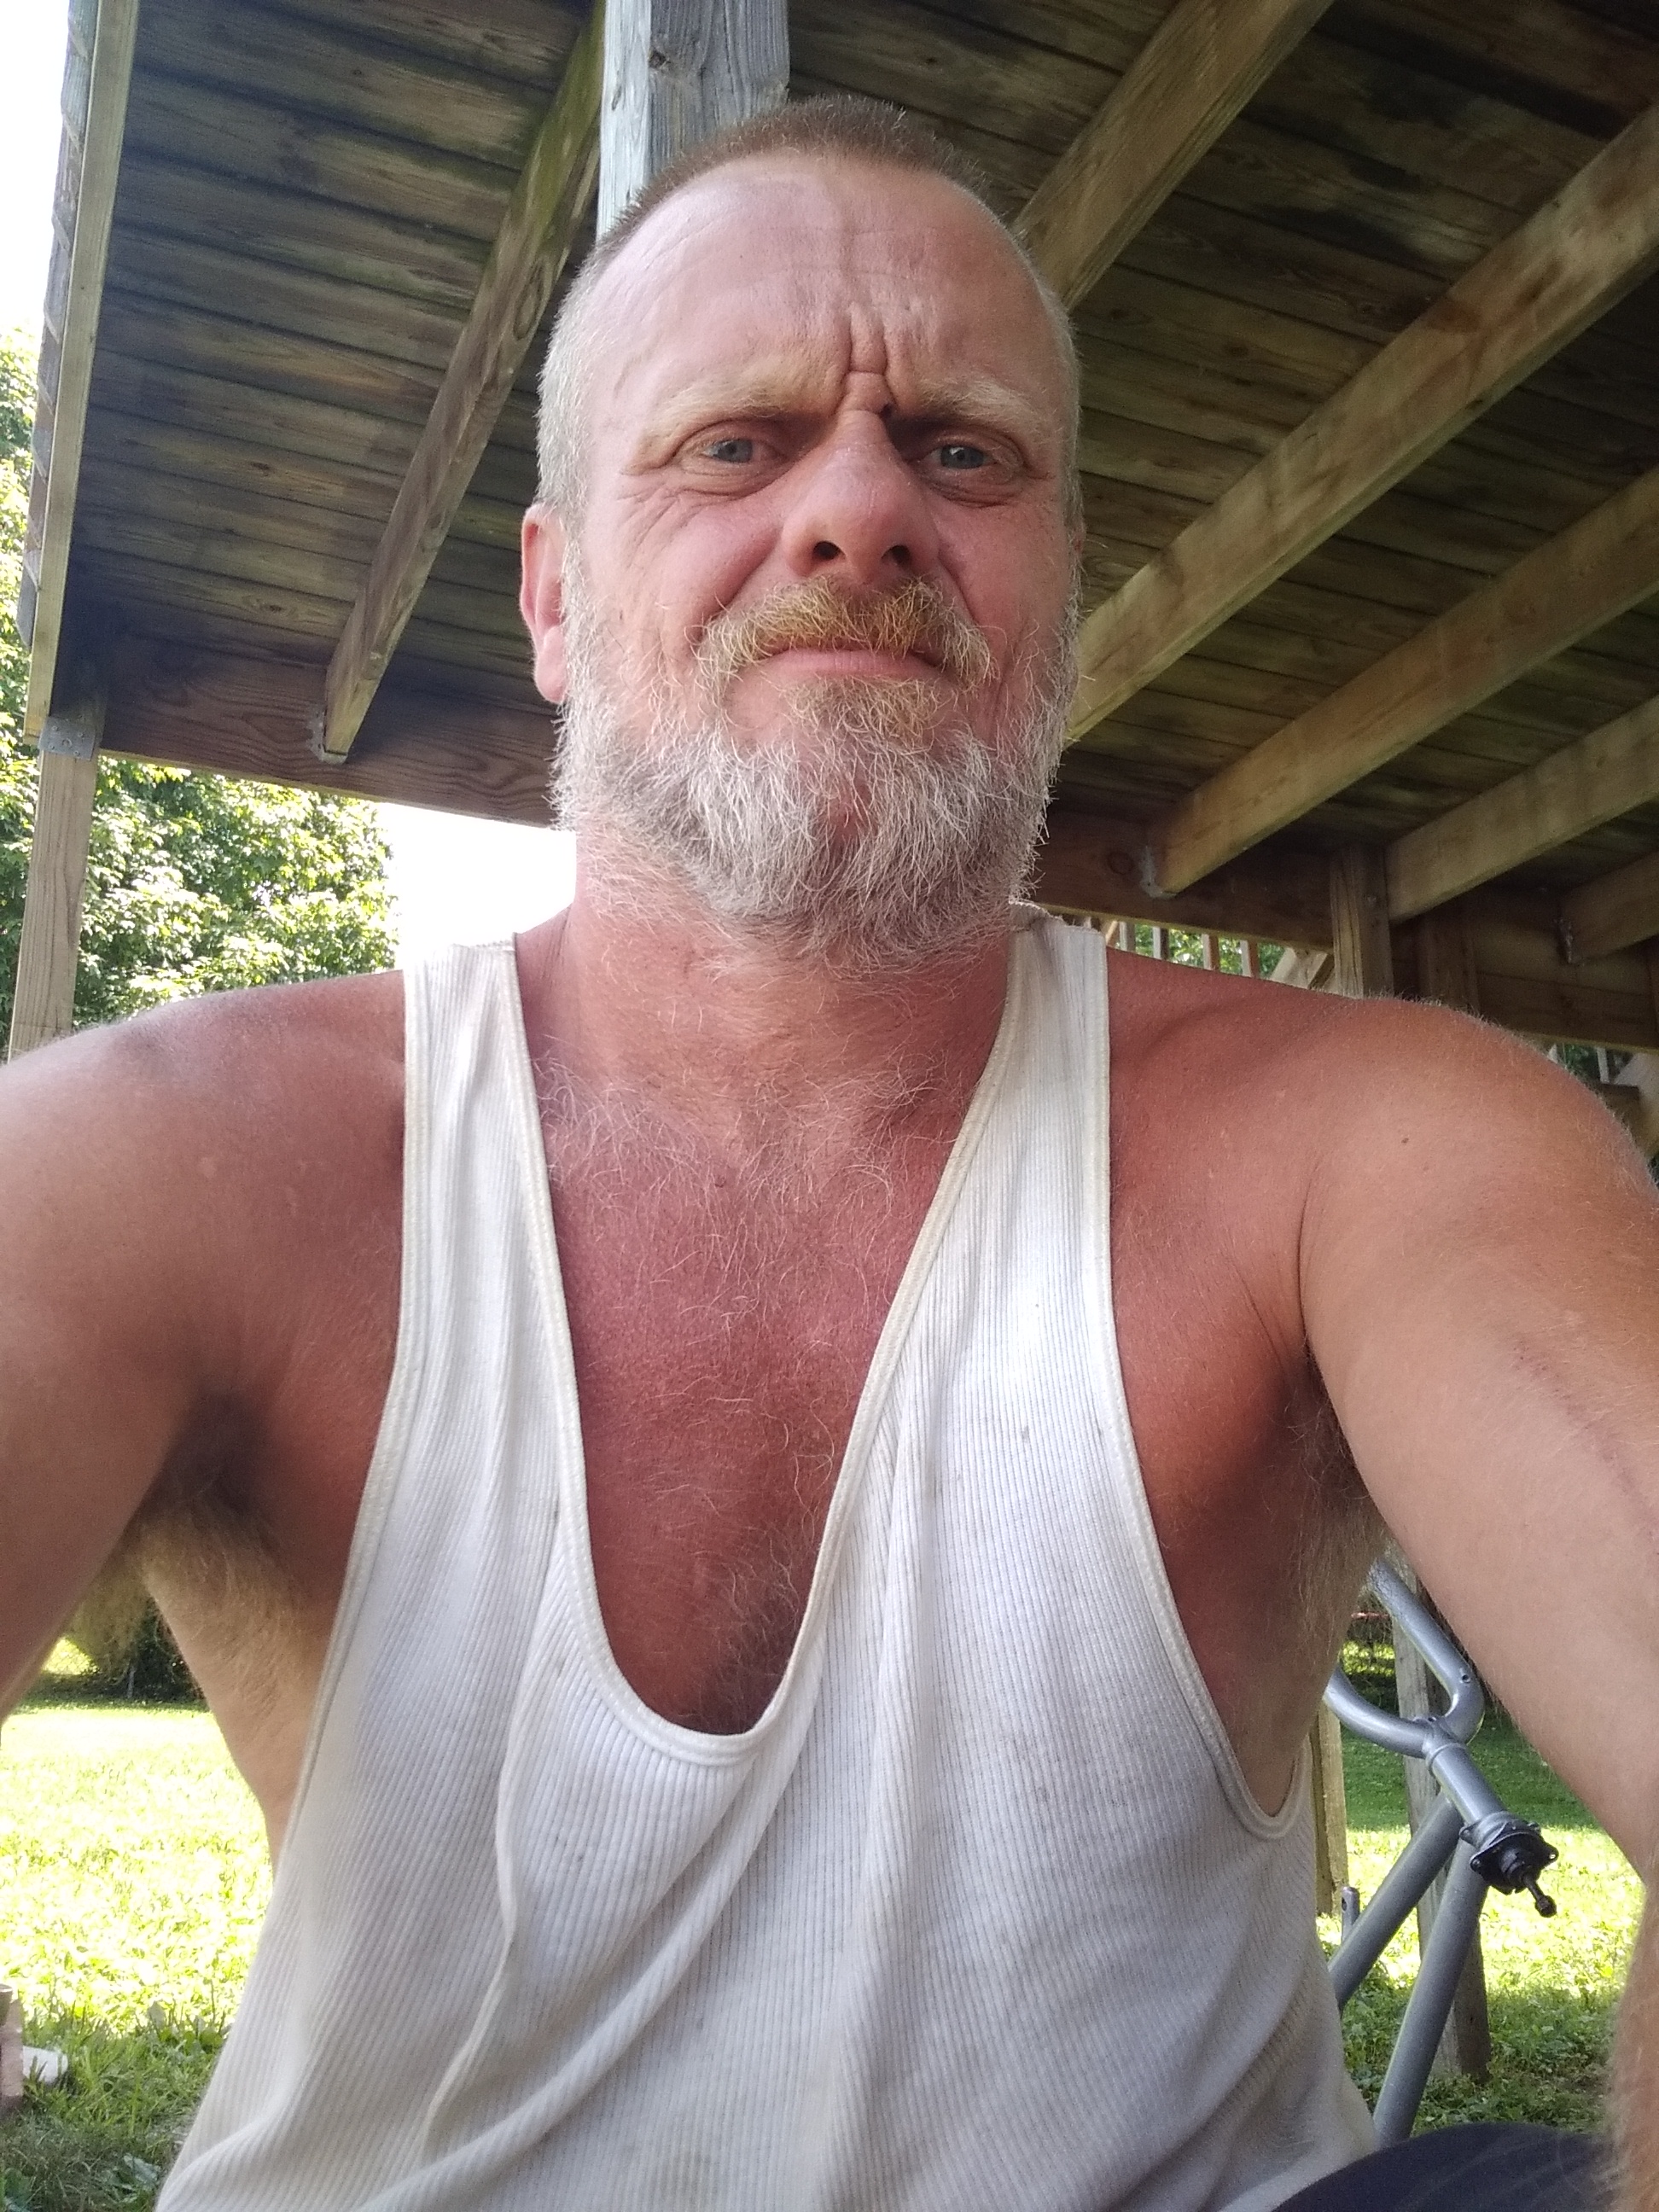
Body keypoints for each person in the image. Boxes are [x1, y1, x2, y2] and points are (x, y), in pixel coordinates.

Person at [0, 96, 1652, 2212]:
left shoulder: (1377, 1141)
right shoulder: (178, 1161)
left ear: (1062, 596)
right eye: (734, 444)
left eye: (964, 452)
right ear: (554, 597)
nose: (861, 507)